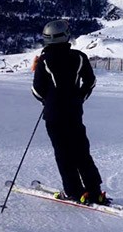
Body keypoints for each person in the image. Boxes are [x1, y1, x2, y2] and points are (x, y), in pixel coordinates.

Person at [31, 20, 108, 205]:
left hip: (53, 115)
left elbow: (37, 90)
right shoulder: (79, 57)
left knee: (63, 153)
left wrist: (48, 101)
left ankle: (74, 191)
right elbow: (90, 82)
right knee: (81, 151)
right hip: (74, 113)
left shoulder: (44, 60)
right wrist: (78, 98)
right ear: (66, 35)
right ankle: (94, 190)